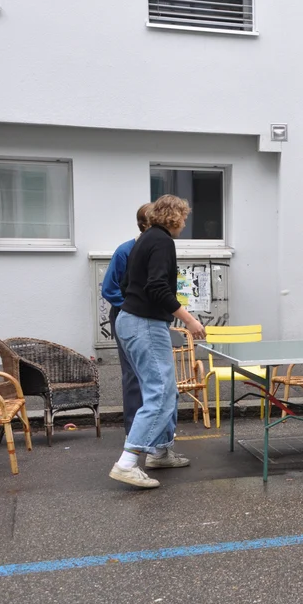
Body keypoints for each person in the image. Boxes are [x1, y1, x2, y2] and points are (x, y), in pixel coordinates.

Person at [109, 195, 207, 489]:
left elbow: (127, 286)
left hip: (132, 320)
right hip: (145, 324)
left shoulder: (144, 240)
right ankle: (127, 463)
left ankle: (160, 451)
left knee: (165, 391)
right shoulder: (163, 242)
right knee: (160, 392)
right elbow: (157, 288)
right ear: (174, 217)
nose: (185, 223)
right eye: (184, 217)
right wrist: (189, 320)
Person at [101, 203, 152, 436]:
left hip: (151, 318)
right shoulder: (125, 251)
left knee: (153, 372)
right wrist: (134, 308)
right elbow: (109, 289)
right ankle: (133, 429)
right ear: (146, 224)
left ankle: (153, 426)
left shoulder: (157, 249)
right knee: (132, 372)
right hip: (126, 316)